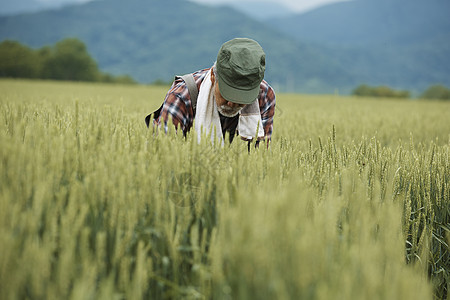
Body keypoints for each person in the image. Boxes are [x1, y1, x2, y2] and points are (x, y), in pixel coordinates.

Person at [146, 38, 276, 146]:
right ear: (213, 77)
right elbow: (162, 152)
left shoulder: (264, 96)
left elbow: (259, 157)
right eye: (227, 94)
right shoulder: (183, 95)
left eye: (241, 98)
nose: (231, 103)